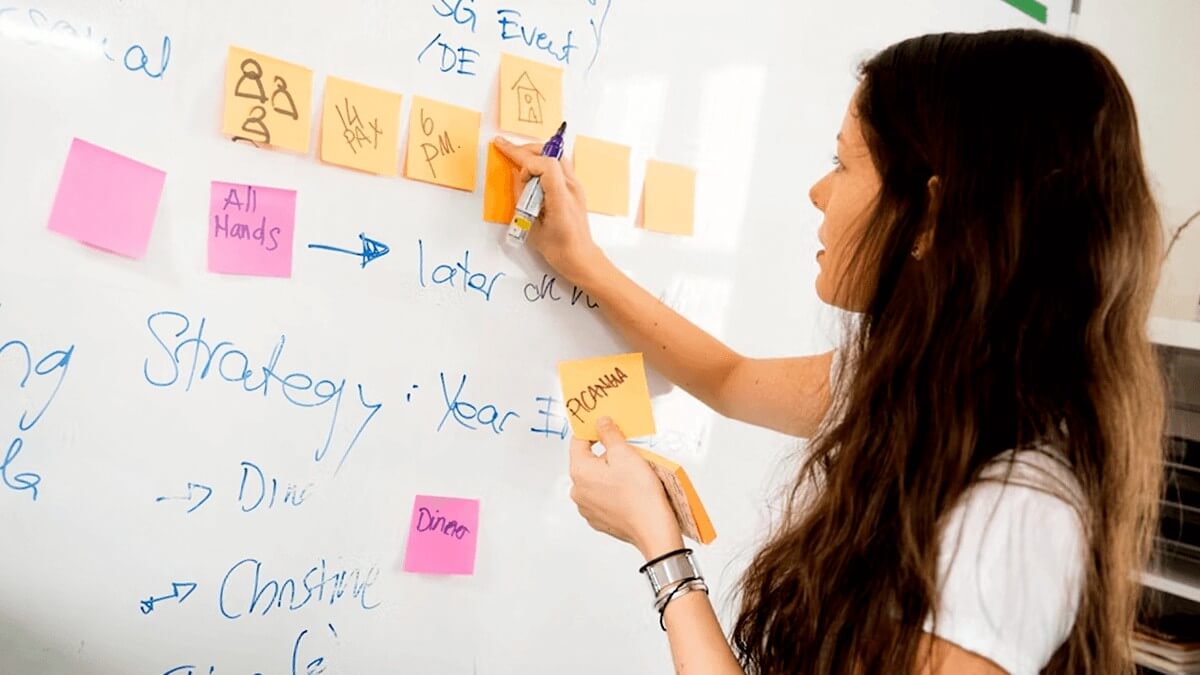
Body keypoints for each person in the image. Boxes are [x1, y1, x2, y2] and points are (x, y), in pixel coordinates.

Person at [495, 28, 1164, 675]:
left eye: (843, 163)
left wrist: (660, 547)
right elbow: (728, 379)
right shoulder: (934, 387)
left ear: (931, 216)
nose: (818, 191)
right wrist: (580, 260)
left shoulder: (1013, 513)